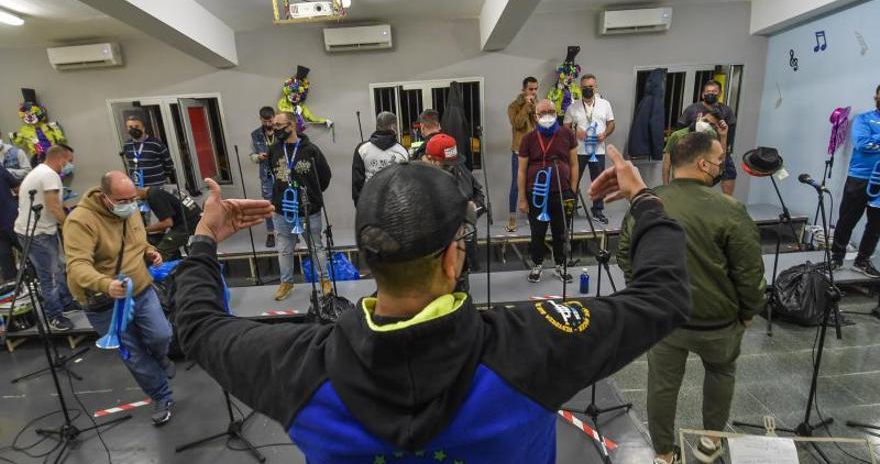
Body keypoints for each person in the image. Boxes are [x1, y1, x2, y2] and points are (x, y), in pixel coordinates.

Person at [169, 146, 691, 463]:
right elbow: (663, 296)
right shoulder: (535, 346)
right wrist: (644, 202)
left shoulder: (295, 367)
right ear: (451, 260)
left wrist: (204, 238)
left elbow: (197, 324)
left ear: (368, 263)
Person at [618, 132, 764, 464]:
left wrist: (646, 294)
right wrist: (749, 310)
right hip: (719, 321)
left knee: (662, 385)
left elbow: (626, 253)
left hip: (666, 319)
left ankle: (664, 454)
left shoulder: (649, 201)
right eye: (719, 159)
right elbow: (748, 270)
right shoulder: (730, 209)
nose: (722, 165)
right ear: (702, 164)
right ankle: (712, 441)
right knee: (721, 372)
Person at [64, 171, 176, 425]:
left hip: (141, 288)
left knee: (162, 335)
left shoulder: (131, 209)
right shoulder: (81, 221)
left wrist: (150, 251)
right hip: (105, 301)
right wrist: (105, 283)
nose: (130, 205)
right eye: (122, 201)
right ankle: (161, 396)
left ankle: (160, 357)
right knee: (134, 355)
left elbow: (139, 242)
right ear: (105, 197)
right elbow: (77, 265)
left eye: (132, 199)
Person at [269, 111, 332, 301]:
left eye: (280, 126)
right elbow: (273, 173)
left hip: (308, 209)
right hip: (282, 210)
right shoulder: (273, 150)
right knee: (284, 248)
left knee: (316, 247)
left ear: (292, 125)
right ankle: (286, 282)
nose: (276, 130)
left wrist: (312, 194)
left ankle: (324, 280)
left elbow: (325, 177)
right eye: (274, 126)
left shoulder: (311, 150)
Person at [14, 144, 76, 331]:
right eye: (69, 161)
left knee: (56, 268)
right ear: (61, 159)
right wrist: (69, 227)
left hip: (32, 230)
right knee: (49, 275)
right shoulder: (50, 175)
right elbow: (54, 206)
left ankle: (66, 303)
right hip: (38, 233)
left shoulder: (38, 172)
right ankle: (54, 316)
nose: (70, 165)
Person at [518, 99, 578, 283]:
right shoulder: (528, 139)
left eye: (550, 111)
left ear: (556, 112)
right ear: (535, 116)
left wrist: (572, 192)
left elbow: (574, 165)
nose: (547, 115)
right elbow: (521, 170)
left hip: (562, 192)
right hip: (535, 194)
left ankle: (560, 265)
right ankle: (537, 264)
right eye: (542, 112)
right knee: (538, 232)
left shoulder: (567, 134)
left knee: (561, 231)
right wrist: (522, 198)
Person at [831, 84, 880, 277]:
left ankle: (862, 260)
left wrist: (875, 140)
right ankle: (836, 258)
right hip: (859, 179)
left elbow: (872, 143)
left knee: (876, 225)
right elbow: (862, 144)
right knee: (847, 220)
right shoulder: (864, 119)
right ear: (876, 96)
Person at [425, 133, 486, 285]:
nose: (451, 167)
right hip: (435, 251)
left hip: (462, 243)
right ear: (431, 159)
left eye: (453, 162)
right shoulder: (419, 180)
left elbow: (479, 195)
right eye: (446, 164)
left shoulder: (459, 168)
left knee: (462, 286)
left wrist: (473, 209)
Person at [563, 73, 615, 224]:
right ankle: (569, 211)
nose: (588, 89)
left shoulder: (605, 104)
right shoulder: (573, 107)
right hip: (578, 151)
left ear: (595, 87)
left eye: (590, 87)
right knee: (573, 181)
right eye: (585, 87)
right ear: (580, 88)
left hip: (598, 151)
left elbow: (611, 123)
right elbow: (565, 126)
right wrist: (575, 132)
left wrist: (604, 133)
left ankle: (598, 211)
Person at [676, 80, 738, 195]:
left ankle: (728, 203)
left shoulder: (726, 111)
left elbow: (730, 133)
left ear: (720, 93)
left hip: (720, 149)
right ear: (703, 94)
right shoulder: (692, 110)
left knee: (729, 172)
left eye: (714, 91)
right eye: (708, 91)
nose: (711, 94)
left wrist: (722, 141)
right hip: (696, 150)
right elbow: (680, 131)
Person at [351, 111, 408, 204]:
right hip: (397, 206)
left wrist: (360, 206)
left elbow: (357, 183)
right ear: (394, 128)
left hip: (370, 204)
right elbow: (407, 182)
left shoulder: (362, 149)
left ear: (377, 126)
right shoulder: (402, 151)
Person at [662, 108, 728, 184]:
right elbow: (666, 166)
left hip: (702, 184)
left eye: (711, 124)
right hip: (680, 185)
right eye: (705, 121)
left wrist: (723, 136)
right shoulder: (678, 136)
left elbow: (720, 163)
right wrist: (666, 187)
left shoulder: (712, 137)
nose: (707, 125)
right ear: (699, 117)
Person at [506, 77, 538, 232]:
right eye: (530, 89)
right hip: (519, 151)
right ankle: (512, 217)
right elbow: (517, 124)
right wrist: (526, 106)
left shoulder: (537, 104)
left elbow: (541, 123)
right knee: (516, 186)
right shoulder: (513, 106)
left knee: (533, 184)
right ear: (523, 90)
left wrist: (534, 109)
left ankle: (531, 216)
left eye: (535, 89)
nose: (533, 92)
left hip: (535, 151)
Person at [138, 186, 201, 260]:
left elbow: (167, 223)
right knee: (166, 242)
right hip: (196, 219)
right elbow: (167, 216)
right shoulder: (160, 189)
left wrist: (143, 230)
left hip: (188, 225)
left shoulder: (153, 196)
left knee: (157, 255)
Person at [249, 106, 278, 248]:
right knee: (268, 205)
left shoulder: (282, 131)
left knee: (286, 202)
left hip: (283, 172)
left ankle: (291, 232)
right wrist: (257, 157)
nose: (268, 124)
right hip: (266, 174)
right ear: (260, 119)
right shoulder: (255, 134)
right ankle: (271, 234)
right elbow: (251, 155)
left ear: (274, 117)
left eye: (270, 120)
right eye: (265, 121)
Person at [121, 114, 175, 188]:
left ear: (143, 128)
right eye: (130, 127)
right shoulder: (127, 145)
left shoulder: (156, 144)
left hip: (157, 187)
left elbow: (169, 165)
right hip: (138, 188)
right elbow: (130, 165)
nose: (133, 129)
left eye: (137, 126)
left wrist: (159, 177)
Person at [0, 166, 21, 285]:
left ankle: (15, 293)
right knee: (31, 256)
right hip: (12, 219)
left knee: (7, 265)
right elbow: (18, 188)